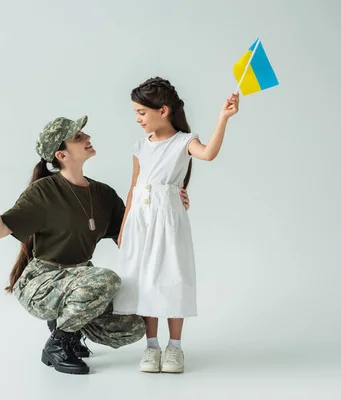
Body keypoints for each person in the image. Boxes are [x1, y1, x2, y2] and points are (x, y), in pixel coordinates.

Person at [0, 115, 192, 375]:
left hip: (81, 281)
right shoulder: (44, 191)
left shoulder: (103, 195)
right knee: (106, 279)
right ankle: (59, 343)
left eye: (84, 134)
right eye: (78, 137)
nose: (87, 138)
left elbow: (133, 237)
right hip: (43, 282)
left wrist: (169, 201)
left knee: (136, 325)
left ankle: (70, 326)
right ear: (62, 155)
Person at [113, 77, 240, 373]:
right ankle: (152, 347)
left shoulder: (184, 141)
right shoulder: (139, 146)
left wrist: (223, 118)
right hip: (140, 220)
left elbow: (208, 153)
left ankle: (175, 348)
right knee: (144, 280)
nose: (137, 118)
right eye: (135, 112)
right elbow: (134, 187)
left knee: (170, 275)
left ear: (163, 110)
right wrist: (123, 227)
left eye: (141, 112)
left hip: (167, 218)